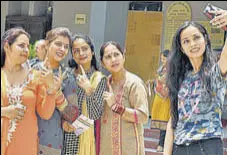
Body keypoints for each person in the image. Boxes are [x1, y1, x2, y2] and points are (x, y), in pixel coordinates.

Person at [163, 21, 227, 155]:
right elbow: (173, 119)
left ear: (205, 39)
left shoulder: (215, 72)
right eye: (186, 41)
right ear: (181, 48)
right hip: (179, 147)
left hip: (206, 145)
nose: (192, 44)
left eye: (196, 38)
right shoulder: (180, 78)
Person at [1, 27, 62, 155]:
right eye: (21, 46)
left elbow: (45, 113)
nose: (26, 50)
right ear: (7, 46)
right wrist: (5, 111)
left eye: (28, 46)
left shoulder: (35, 76)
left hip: (25, 145)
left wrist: (51, 89)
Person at [99, 41, 149, 155]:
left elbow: (143, 116)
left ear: (124, 57)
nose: (113, 59)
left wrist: (116, 107)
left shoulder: (134, 83)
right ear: (102, 63)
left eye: (116, 54)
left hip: (129, 149)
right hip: (106, 149)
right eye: (108, 57)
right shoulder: (104, 84)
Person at [62, 34, 107, 155]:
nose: (81, 53)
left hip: (84, 138)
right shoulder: (66, 76)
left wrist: (89, 90)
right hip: (62, 137)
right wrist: (63, 122)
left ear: (92, 51)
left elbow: (95, 114)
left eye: (85, 49)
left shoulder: (99, 79)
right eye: (76, 51)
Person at [35, 27, 73, 155]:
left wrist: (55, 89)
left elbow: (72, 115)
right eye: (58, 44)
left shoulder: (68, 76)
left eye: (66, 46)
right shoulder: (30, 69)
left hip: (50, 143)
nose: (62, 49)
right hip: (25, 137)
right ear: (47, 44)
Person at [149, 49, 170, 152]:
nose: (163, 61)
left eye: (164, 58)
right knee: (162, 121)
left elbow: (165, 80)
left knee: (166, 121)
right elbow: (159, 79)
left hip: (168, 98)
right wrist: (153, 81)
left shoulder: (173, 69)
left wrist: (158, 79)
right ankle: (161, 144)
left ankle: (162, 144)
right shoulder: (161, 69)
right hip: (160, 97)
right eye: (161, 59)